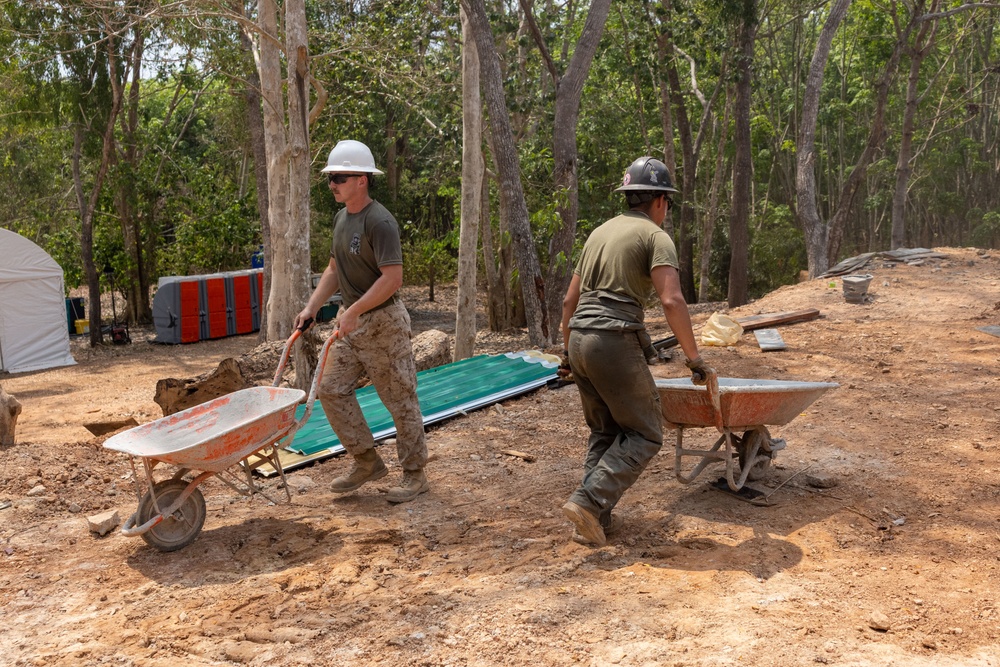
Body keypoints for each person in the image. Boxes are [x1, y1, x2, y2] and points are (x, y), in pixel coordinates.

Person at [560, 156, 712, 546]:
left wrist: (567, 353)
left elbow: (567, 301)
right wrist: (694, 359)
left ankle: (594, 519)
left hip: (579, 337)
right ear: (661, 200)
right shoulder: (656, 238)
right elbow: (672, 299)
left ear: (629, 196)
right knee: (645, 432)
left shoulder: (599, 232)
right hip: (612, 338)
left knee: (605, 430)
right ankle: (590, 502)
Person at [295, 139, 429, 504]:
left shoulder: (380, 221)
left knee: (399, 399)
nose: (332, 184)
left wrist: (354, 312)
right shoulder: (342, 218)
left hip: (383, 322)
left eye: (339, 177)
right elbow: (335, 268)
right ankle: (366, 461)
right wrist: (312, 308)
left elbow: (392, 278)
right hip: (351, 322)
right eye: (330, 178)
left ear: (362, 180)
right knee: (330, 388)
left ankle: (415, 474)